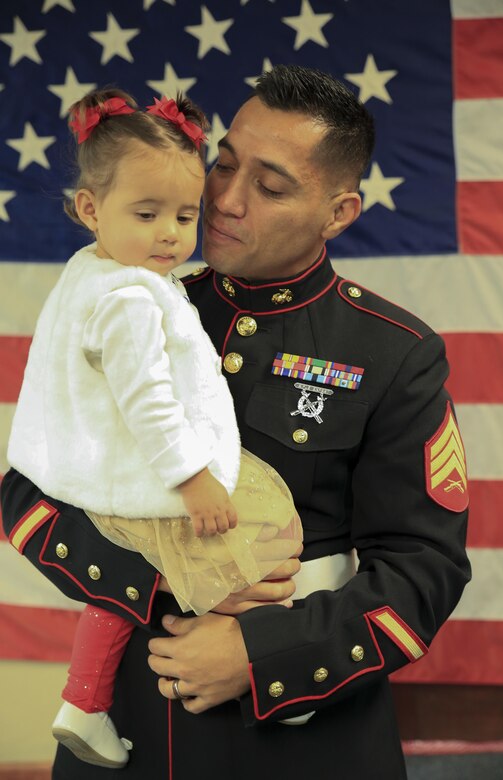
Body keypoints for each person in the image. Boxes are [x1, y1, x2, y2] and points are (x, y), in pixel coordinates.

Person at [1, 65, 471, 780]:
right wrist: (158, 580)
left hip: (299, 745)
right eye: (222, 163)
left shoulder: (393, 352)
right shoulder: (123, 302)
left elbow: (421, 572)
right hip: (123, 735)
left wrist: (260, 655)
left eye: (271, 186)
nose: (223, 198)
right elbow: (28, 492)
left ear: (339, 211)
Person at [4, 87, 302, 769]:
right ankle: (276, 671)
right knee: (258, 536)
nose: (170, 232)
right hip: (155, 472)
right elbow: (149, 404)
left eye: (184, 214)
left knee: (117, 594)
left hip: (102, 472)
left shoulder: (97, 272)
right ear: (89, 208)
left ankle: (83, 700)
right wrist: (193, 481)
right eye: (147, 213)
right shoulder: (132, 299)